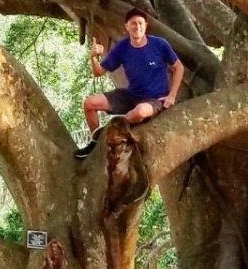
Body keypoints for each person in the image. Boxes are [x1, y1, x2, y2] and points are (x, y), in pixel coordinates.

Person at [78, 8, 183, 158]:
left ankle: (109, 132)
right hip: (131, 95)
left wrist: (171, 96)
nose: (137, 27)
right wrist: (93, 57)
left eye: (140, 23)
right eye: (133, 23)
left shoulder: (159, 45)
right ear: (127, 26)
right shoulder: (122, 47)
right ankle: (95, 143)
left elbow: (178, 67)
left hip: (155, 99)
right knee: (89, 103)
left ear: (145, 25)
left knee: (140, 112)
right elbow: (98, 72)